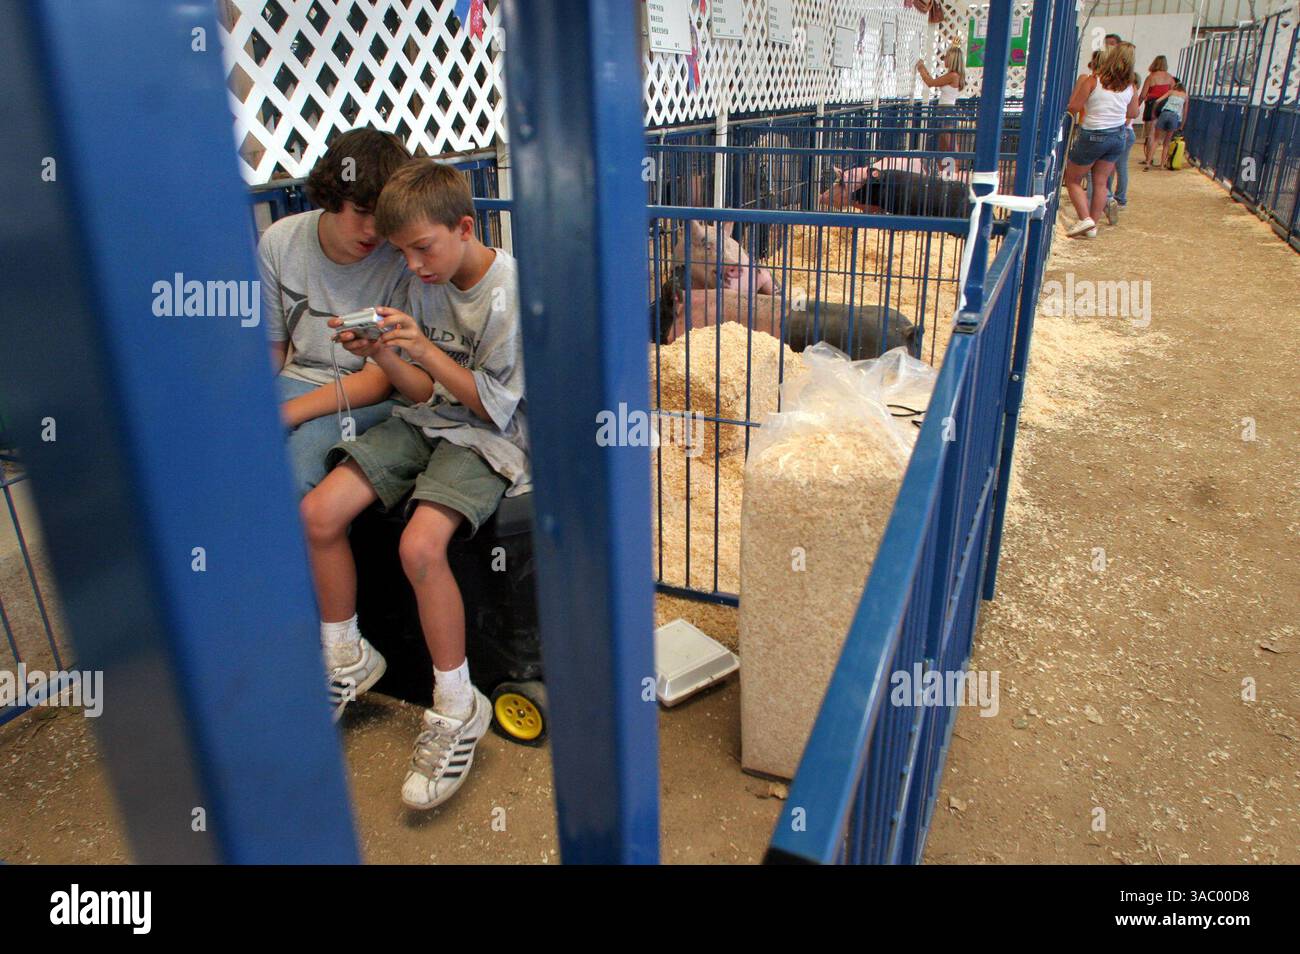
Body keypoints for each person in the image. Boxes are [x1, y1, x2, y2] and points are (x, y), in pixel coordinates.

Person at [300, 159, 527, 811]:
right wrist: (383, 353)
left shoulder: (507, 291)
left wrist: (424, 351)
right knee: (319, 512)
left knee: (420, 548)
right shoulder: (419, 279)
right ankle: (345, 657)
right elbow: (421, 393)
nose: (416, 266)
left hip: (490, 436)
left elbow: (494, 409)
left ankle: (457, 707)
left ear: (465, 225)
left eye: (423, 249)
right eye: (403, 253)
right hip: (428, 417)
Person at [259, 128, 412, 495]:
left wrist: (285, 415)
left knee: (294, 476)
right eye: (361, 211)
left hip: (368, 397)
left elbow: (378, 381)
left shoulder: (402, 260)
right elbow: (272, 348)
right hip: (297, 379)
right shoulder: (279, 241)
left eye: (384, 216)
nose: (373, 229)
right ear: (332, 195)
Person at [1063, 44, 1140, 238]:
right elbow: (1133, 112)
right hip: (1118, 135)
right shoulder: (1130, 86)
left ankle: (1085, 219)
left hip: (1093, 135)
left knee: (1072, 179)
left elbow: (1073, 107)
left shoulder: (1093, 81)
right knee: (1101, 182)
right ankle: (1093, 226)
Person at [1103, 42, 1142, 221]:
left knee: (1103, 170)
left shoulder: (1103, 81)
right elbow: (1133, 113)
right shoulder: (1131, 85)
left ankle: (1108, 197)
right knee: (1120, 167)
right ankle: (1119, 199)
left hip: (1109, 130)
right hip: (1125, 132)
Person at [916, 47, 966, 155]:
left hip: (946, 110)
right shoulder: (954, 75)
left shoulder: (952, 76)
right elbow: (933, 81)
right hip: (946, 109)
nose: (945, 59)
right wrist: (923, 68)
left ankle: (955, 167)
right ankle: (949, 168)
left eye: (947, 57)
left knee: (949, 143)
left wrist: (920, 68)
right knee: (945, 143)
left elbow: (930, 82)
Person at [1139, 56, 1176, 160]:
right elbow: (1173, 94)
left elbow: (1143, 95)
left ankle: (1148, 159)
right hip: (1165, 106)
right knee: (1158, 135)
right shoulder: (1170, 78)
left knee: (1150, 134)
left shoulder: (1151, 77)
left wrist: (1137, 105)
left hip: (1151, 105)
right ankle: (1155, 157)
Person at [1150, 80, 1189, 169]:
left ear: (1175, 87)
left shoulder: (1171, 92)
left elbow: (1157, 101)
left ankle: (1148, 162)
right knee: (1166, 143)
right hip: (1174, 117)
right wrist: (1182, 125)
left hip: (1164, 114)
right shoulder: (1185, 96)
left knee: (1156, 140)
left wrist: (1154, 113)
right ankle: (1162, 165)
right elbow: (1185, 112)